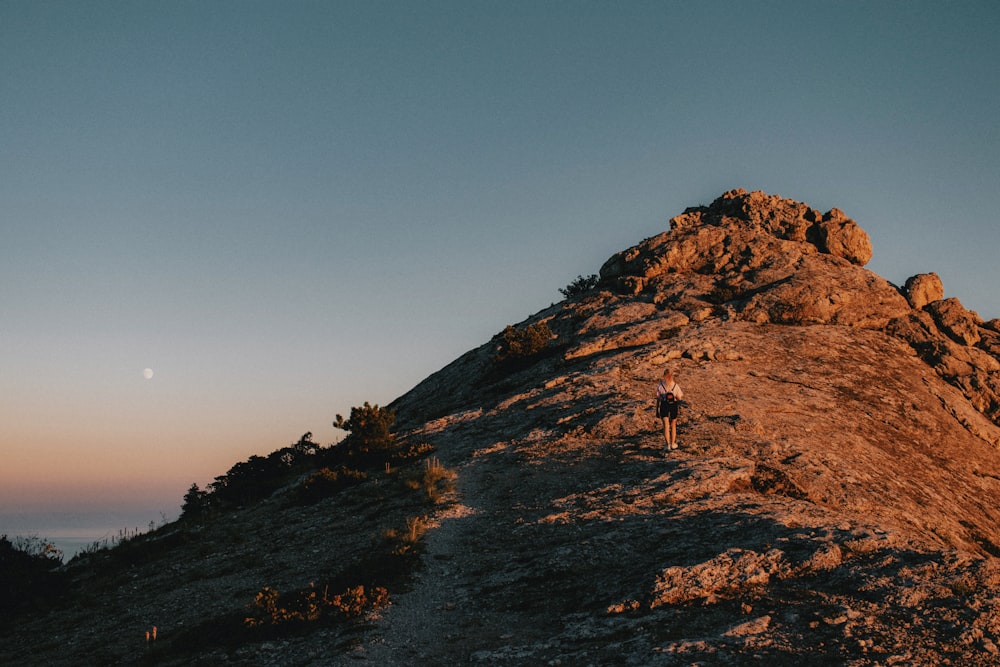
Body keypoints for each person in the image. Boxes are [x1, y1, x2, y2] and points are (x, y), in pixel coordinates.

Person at [656, 369, 684, 452]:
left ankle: (667, 444)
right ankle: (673, 443)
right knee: (673, 425)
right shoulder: (675, 385)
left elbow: (658, 398)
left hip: (664, 405)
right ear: (672, 376)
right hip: (673, 406)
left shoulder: (660, 385)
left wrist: (657, 409)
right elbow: (679, 397)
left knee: (666, 425)